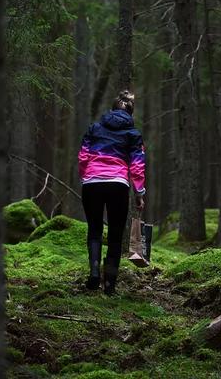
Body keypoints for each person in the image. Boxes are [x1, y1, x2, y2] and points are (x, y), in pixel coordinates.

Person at [77, 90, 146, 295]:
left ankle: (94, 274)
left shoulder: (95, 128)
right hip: (118, 185)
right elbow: (137, 165)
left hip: (92, 184)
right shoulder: (133, 134)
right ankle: (110, 286)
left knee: (94, 230)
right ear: (131, 114)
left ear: (112, 109)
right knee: (115, 236)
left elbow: (83, 156)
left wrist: (85, 176)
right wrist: (139, 192)